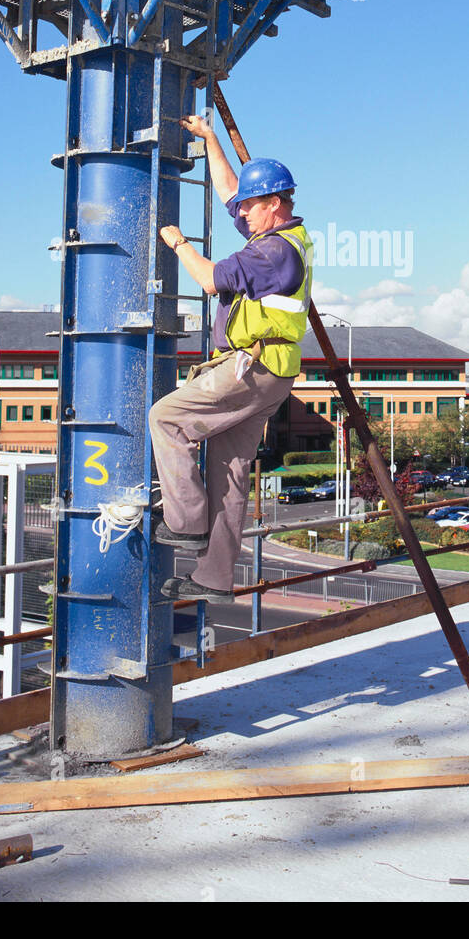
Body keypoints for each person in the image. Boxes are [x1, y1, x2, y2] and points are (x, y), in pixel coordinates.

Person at [149, 114, 313, 604]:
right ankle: (215, 577)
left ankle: (186, 523)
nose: (242, 214)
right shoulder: (281, 237)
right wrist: (212, 141)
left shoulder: (271, 253)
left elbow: (209, 280)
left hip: (253, 368)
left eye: (251, 207)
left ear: (277, 205)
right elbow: (228, 192)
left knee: (167, 419)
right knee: (229, 471)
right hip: (272, 372)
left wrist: (178, 243)